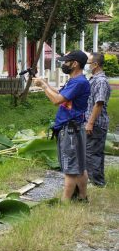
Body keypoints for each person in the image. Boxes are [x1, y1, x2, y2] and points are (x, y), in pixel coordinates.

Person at [33, 50, 90, 202]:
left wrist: (43, 87)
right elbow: (62, 95)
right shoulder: (75, 81)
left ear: (75, 63)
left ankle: (64, 203)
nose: (64, 64)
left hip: (70, 130)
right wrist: (45, 84)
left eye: (66, 61)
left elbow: (57, 100)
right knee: (79, 167)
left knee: (70, 169)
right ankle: (82, 198)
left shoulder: (79, 82)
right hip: (74, 128)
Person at [85, 53, 111, 187]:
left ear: (95, 65)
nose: (86, 65)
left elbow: (99, 103)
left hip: (96, 124)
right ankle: (98, 181)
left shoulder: (101, 81)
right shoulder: (94, 79)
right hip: (94, 123)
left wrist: (90, 122)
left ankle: (96, 183)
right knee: (94, 152)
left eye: (88, 62)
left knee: (92, 153)